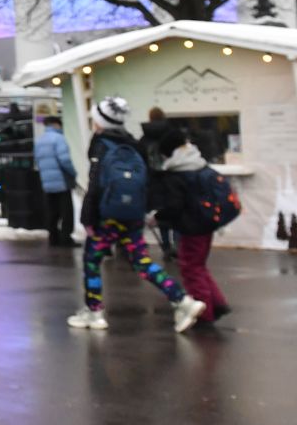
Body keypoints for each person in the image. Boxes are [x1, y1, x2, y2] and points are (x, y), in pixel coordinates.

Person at [69, 97, 204, 333]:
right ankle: (182, 301)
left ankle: (94, 312)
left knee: (92, 260)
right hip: (132, 214)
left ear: (101, 122)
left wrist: (88, 217)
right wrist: (144, 209)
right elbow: (147, 180)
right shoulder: (133, 143)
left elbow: (95, 184)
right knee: (142, 262)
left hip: (107, 215)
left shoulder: (101, 144)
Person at [151, 128, 232, 327]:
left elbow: (175, 206)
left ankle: (205, 313)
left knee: (191, 269)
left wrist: (158, 217)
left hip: (191, 227)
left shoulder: (178, 172)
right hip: (206, 224)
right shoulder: (198, 164)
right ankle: (217, 303)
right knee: (199, 266)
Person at [34, 115, 79, 248]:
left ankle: (53, 237)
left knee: (52, 210)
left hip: (47, 181)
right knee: (66, 211)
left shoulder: (40, 140)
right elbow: (64, 160)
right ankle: (66, 237)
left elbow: (37, 160)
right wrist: (73, 173)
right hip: (61, 181)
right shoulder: (59, 139)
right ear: (56, 125)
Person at [138, 106, 177, 259]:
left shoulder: (144, 138)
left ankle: (166, 246)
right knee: (177, 213)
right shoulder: (172, 135)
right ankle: (178, 246)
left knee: (160, 215)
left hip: (153, 181)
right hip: (172, 179)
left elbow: (140, 161)